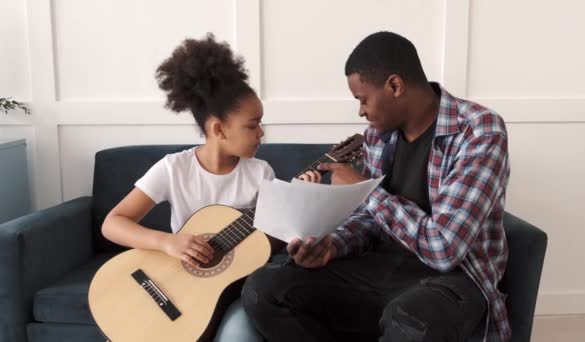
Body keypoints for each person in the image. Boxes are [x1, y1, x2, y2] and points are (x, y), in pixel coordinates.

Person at [242, 31, 511, 342]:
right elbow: (369, 221)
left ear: (394, 86)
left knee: (410, 321)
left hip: (454, 279)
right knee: (265, 290)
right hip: (380, 270)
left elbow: (445, 249)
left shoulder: (478, 130)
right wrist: (332, 245)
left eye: (363, 99)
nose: (360, 111)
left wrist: (367, 191)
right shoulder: (376, 137)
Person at [101, 33, 270, 342]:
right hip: (178, 287)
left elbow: (271, 239)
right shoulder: (173, 168)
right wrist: (167, 243)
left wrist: (298, 207)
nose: (262, 132)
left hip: (235, 291)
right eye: (252, 124)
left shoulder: (260, 173)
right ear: (219, 129)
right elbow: (113, 223)